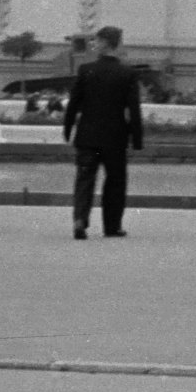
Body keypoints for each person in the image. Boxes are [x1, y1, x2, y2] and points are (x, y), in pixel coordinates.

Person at [63, 24, 145, 240]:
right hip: (115, 137)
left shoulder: (86, 70)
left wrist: (67, 128)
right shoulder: (127, 73)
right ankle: (112, 225)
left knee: (84, 179)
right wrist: (136, 139)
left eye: (97, 41)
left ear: (104, 43)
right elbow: (134, 109)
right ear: (117, 45)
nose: (94, 44)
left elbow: (74, 103)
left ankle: (80, 219)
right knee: (115, 181)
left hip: (88, 136)